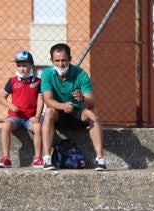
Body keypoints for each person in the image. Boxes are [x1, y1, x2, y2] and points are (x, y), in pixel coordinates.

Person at [40, 42, 106, 171]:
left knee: (92, 114)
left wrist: (82, 98)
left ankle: (100, 159)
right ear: (51, 61)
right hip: (58, 113)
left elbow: (91, 101)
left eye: (64, 60)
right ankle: (47, 157)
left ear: (70, 59)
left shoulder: (81, 74)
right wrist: (63, 105)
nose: (60, 64)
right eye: (57, 61)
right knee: (49, 112)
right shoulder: (47, 74)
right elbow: (48, 100)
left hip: (77, 113)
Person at [0, 50, 42, 168]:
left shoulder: (38, 82)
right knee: (6, 126)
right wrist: (11, 106)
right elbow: (2, 98)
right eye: (19, 65)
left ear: (31, 66)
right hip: (15, 118)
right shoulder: (12, 81)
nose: (21, 68)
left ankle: (38, 158)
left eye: (24, 65)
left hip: (30, 119)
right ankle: (6, 158)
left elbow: (41, 99)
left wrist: (37, 116)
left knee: (38, 127)